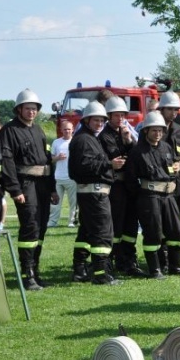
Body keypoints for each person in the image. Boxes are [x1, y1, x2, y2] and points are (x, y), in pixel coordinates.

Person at [0, 89, 58, 291]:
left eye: (34, 109)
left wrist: (52, 188)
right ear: (19, 109)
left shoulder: (38, 130)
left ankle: (35, 271)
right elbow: (7, 162)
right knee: (30, 225)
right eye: (28, 108)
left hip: (43, 184)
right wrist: (15, 190)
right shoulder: (9, 131)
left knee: (41, 227)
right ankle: (27, 274)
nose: (31, 112)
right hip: (25, 185)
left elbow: (47, 161)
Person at [126, 112, 180, 279]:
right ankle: (155, 270)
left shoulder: (166, 148)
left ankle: (175, 266)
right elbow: (130, 179)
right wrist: (141, 196)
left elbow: (173, 166)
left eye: (160, 130)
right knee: (153, 232)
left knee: (176, 230)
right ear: (146, 131)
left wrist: (178, 167)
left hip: (169, 196)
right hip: (149, 197)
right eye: (154, 130)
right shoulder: (137, 151)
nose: (158, 133)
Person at [68, 102, 124, 285]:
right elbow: (84, 166)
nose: (100, 123)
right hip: (94, 193)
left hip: (92, 193)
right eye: (96, 120)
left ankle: (80, 269)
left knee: (86, 231)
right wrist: (109, 164)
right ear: (87, 120)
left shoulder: (89, 138)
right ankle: (101, 274)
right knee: (102, 232)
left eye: (102, 120)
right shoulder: (84, 140)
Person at [100, 96, 145, 278]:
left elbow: (136, 156)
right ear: (109, 116)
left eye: (123, 115)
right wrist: (125, 154)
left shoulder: (126, 132)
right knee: (116, 225)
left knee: (131, 224)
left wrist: (129, 141)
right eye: (117, 115)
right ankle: (115, 259)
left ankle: (129, 260)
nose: (120, 118)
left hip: (130, 185)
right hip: (116, 185)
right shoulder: (105, 136)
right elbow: (115, 157)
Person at [157, 91, 180, 218]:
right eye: (170, 109)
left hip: (177, 180)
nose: (173, 112)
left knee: (177, 215)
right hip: (159, 180)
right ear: (162, 109)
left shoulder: (178, 129)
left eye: (176, 109)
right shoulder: (152, 128)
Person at [48, 119, 78, 228]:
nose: (67, 131)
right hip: (58, 177)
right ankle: (53, 221)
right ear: (61, 130)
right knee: (55, 202)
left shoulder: (76, 142)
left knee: (73, 202)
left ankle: (72, 221)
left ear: (73, 130)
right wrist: (58, 157)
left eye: (69, 129)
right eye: (65, 129)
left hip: (72, 178)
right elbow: (51, 159)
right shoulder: (56, 142)